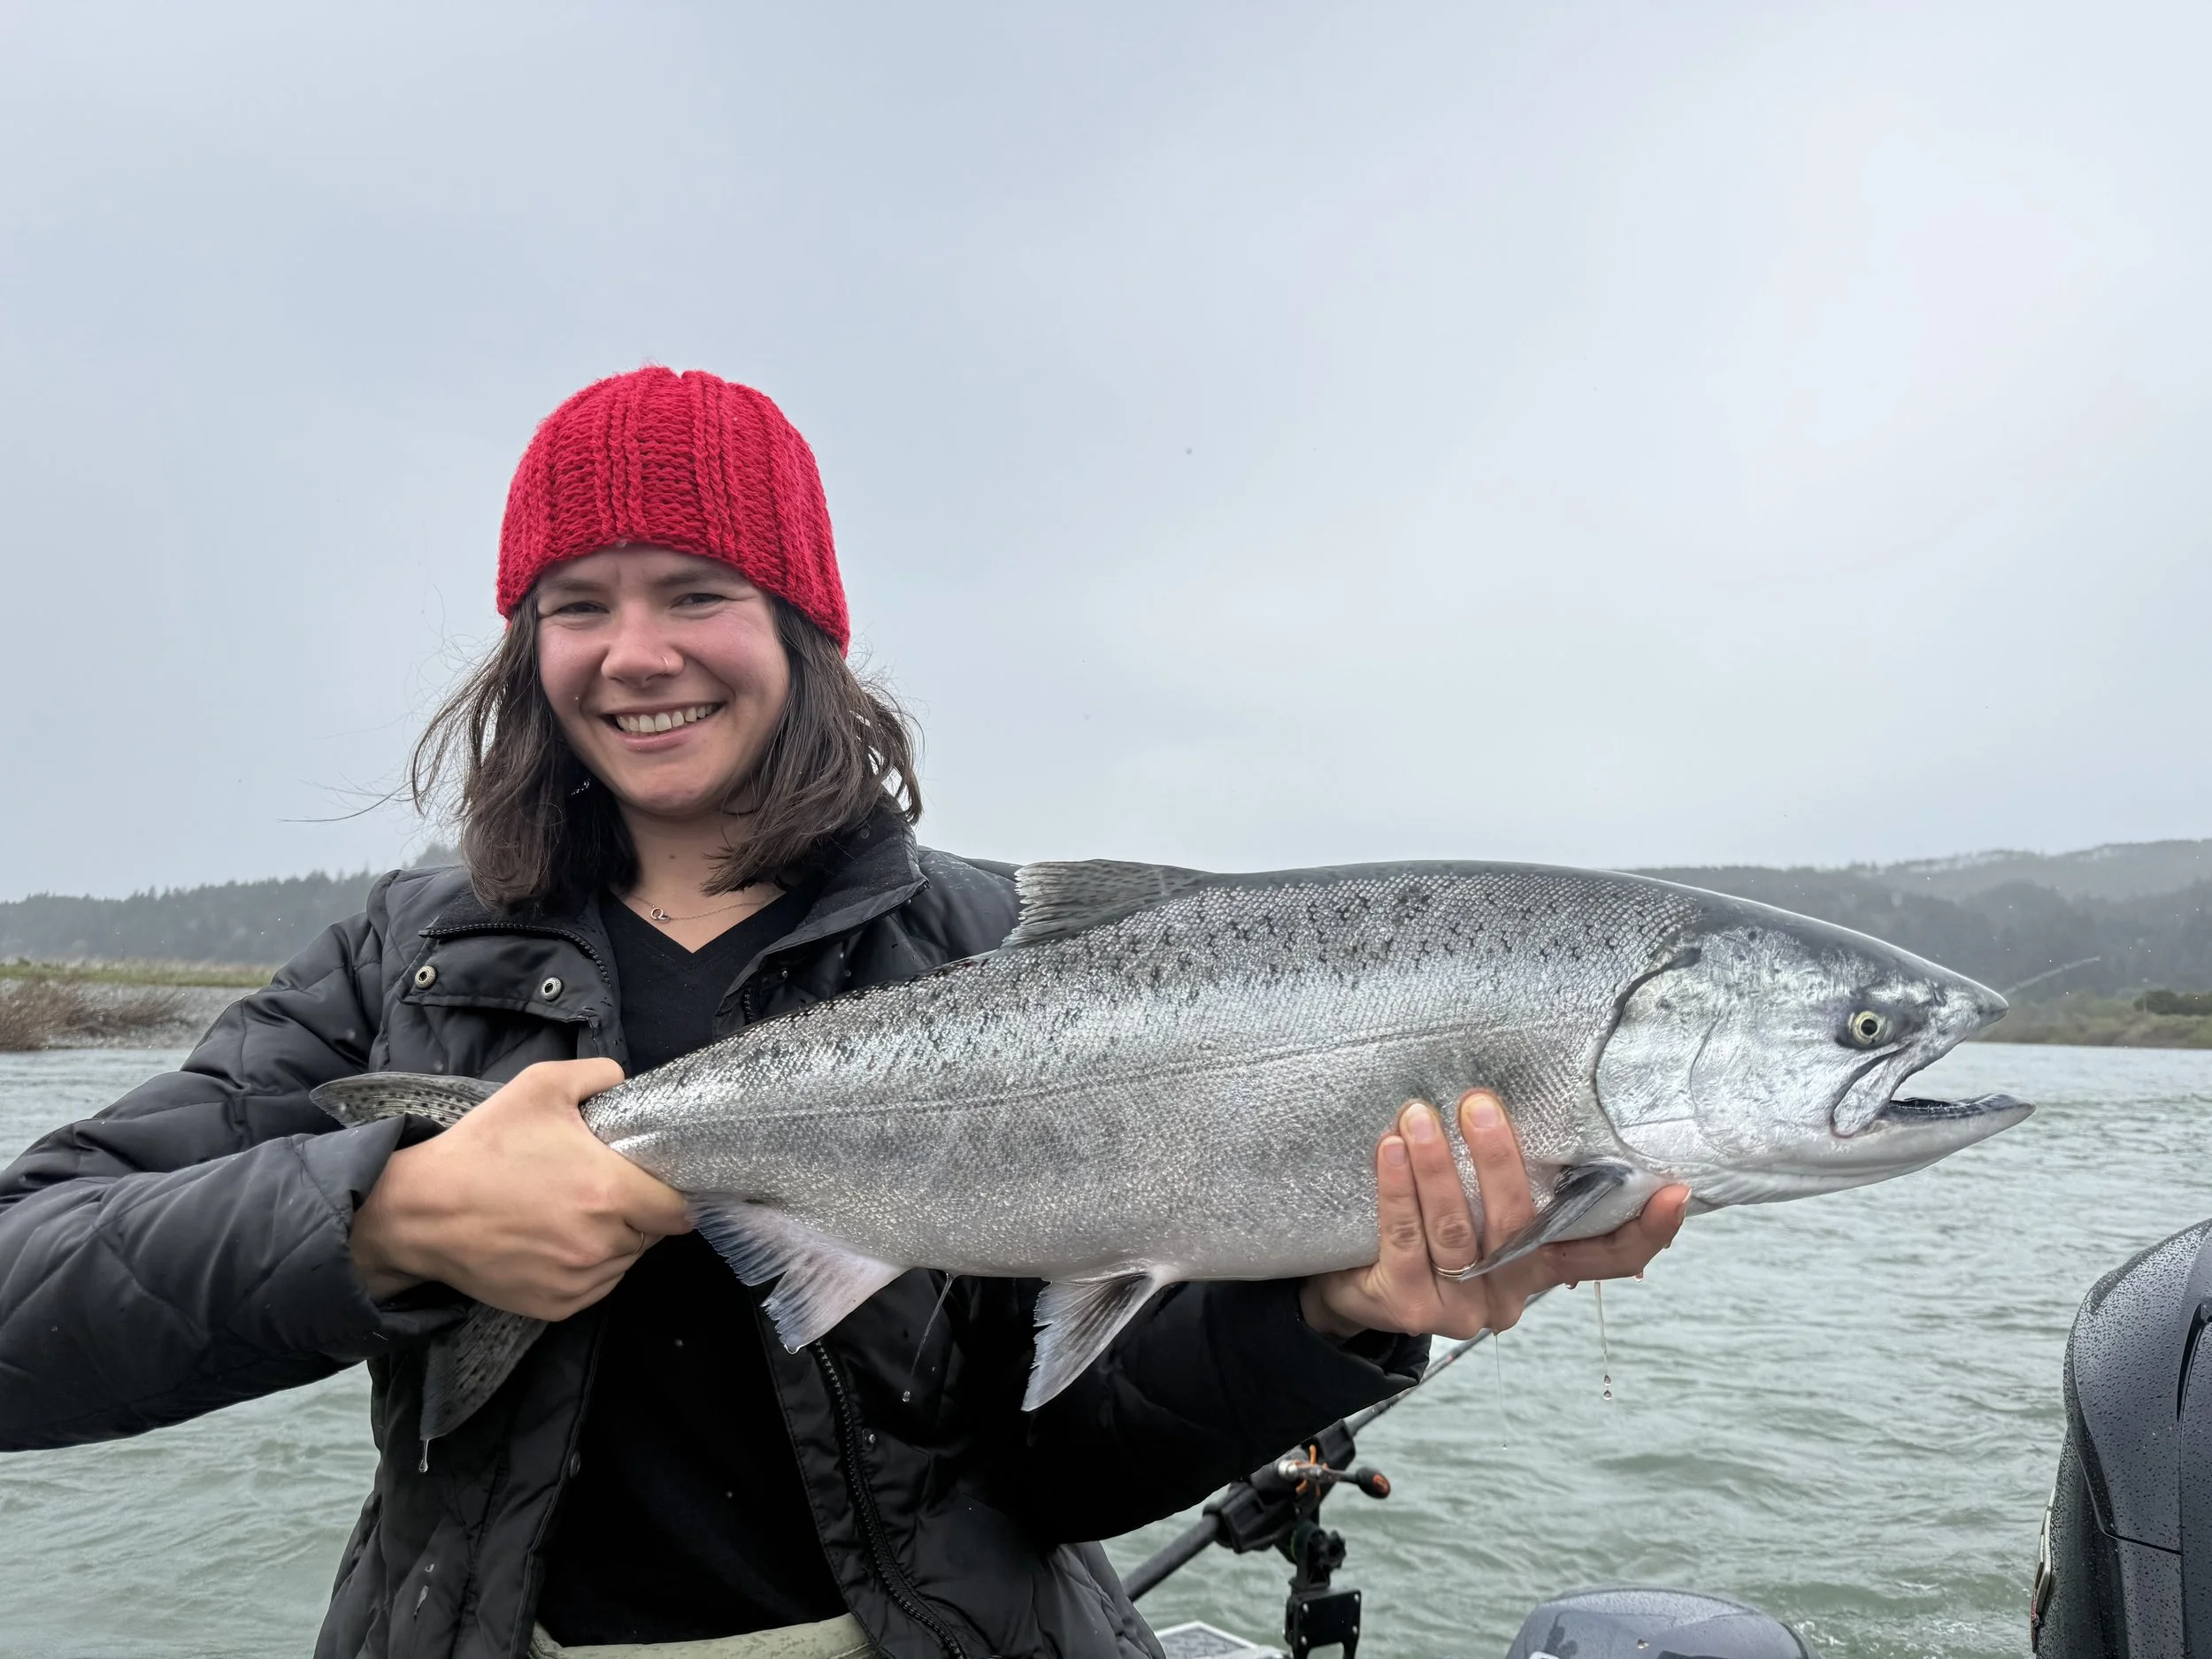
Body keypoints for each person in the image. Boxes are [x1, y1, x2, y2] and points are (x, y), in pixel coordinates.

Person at [0, 368, 1686, 1659]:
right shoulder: (398, 969)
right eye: (576, 604)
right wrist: (387, 1216)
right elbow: (31, 1290)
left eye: (695, 592)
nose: (635, 651)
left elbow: (1055, 1463)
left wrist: (1326, 1312)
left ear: (804, 628)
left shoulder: (992, 951)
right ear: (525, 651)